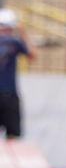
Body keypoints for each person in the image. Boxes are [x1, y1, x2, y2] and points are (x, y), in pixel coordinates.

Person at [0, 8, 35, 138]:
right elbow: (32, 55)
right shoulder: (14, 42)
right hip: (9, 94)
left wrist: (23, 34)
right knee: (12, 135)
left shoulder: (14, 43)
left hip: (9, 93)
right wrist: (23, 33)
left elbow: (32, 55)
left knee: (12, 134)